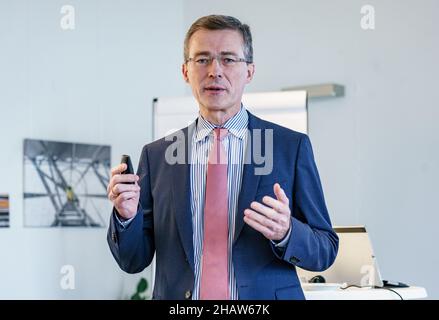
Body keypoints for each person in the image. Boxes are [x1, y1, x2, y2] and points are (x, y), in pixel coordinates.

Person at [107, 14, 338, 300]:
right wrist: (126, 217)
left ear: (250, 72)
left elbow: (325, 248)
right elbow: (133, 261)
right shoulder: (158, 156)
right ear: (185, 72)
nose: (215, 70)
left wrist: (287, 232)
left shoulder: (290, 148)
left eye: (228, 59)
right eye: (202, 59)